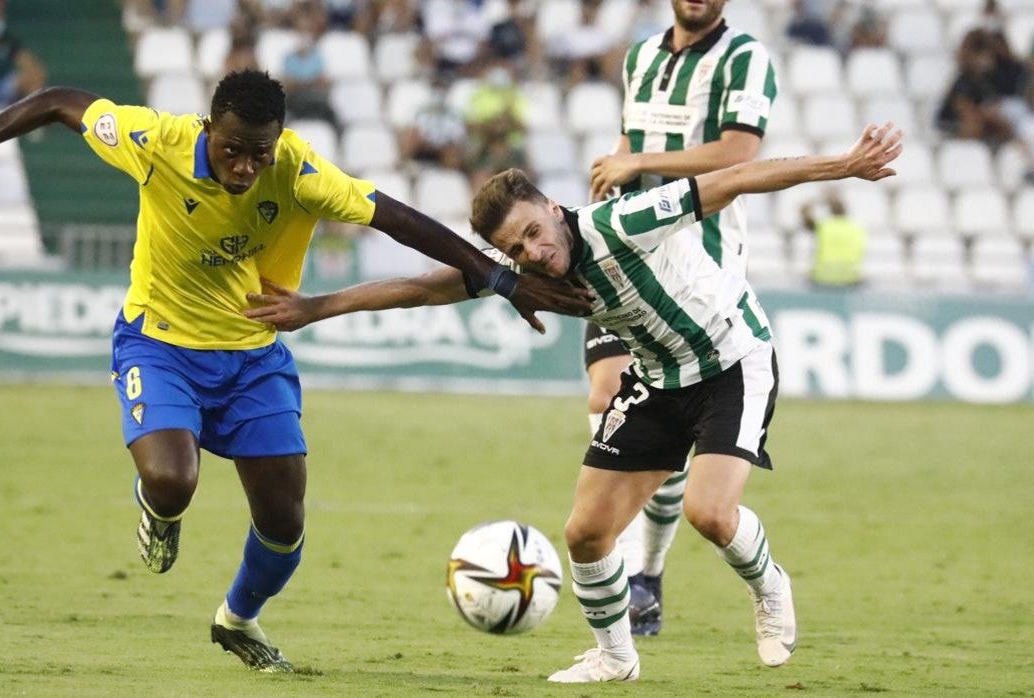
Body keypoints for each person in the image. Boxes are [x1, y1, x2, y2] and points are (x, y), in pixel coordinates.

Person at [0, 69, 592, 674]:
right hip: (158, 346)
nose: (247, 167)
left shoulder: (298, 169)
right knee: (171, 479)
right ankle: (159, 513)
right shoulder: (154, 141)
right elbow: (57, 101)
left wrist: (501, 280)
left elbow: (397, 219)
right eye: (232, 151)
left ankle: (236, 619)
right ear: (207, 129)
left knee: (284, 524)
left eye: (259, 153)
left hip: (252, 359)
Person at [244, 122, 904, 682]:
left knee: (708, 512)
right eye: (515, 248)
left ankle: (768, 585)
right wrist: (316, 307)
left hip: (733, 362)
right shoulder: (521, 273)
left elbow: (733, 179)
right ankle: (616, 659)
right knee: (586, 533)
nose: (534, 253)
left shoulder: (625, 222)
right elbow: (423, 287)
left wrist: (843, 165)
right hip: (657, 378)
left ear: (555, 209)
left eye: (535, 232)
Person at [585, 0, 777, 635]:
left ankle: (647, 571)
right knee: (606, 392)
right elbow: (631, 142)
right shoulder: (641, 56)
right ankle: (626, 566)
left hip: (699, 264)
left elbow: (739, 153)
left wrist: (639, 163)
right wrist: (615, 171)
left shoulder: (744, 57)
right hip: (628, 252)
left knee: (669, 421)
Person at [800, 192, 866, 288]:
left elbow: (803, 210)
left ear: (830, 210)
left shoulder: (823, 225)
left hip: (823, 277)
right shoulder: (857, 227)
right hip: (850, 278)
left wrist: (819, 198)